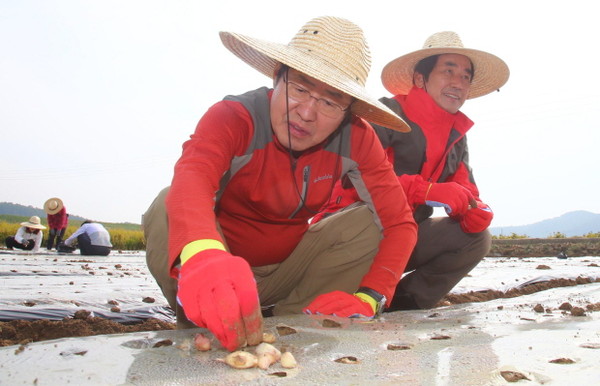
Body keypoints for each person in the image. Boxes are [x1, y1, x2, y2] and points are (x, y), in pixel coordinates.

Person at [143, 16, 418, 352]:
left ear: (348, 111)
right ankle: (201, 322)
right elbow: (192, 178)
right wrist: (205, 255)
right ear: (277, 77)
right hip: (221, 265)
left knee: (365, 224)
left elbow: (400, 223)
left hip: (288, 270)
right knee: (166, 204)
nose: (306, 113)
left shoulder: (358, 138)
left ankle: (296, 324)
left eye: (330, 101)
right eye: (300, 88)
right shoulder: (234, 116)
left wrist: (372, 296)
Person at [314, 31, 510, 311]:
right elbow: (353, 180)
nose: (458, 83)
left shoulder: (457, 134)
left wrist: (476, 210)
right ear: (421, 79)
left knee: (476, 239)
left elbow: (466, 191)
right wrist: (426, 190)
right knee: (369, 219)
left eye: (466, 76)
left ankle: (402, 305)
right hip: (353, 229)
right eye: (449, 71)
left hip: (405, 236)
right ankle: (342, 286)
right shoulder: (385, 115)